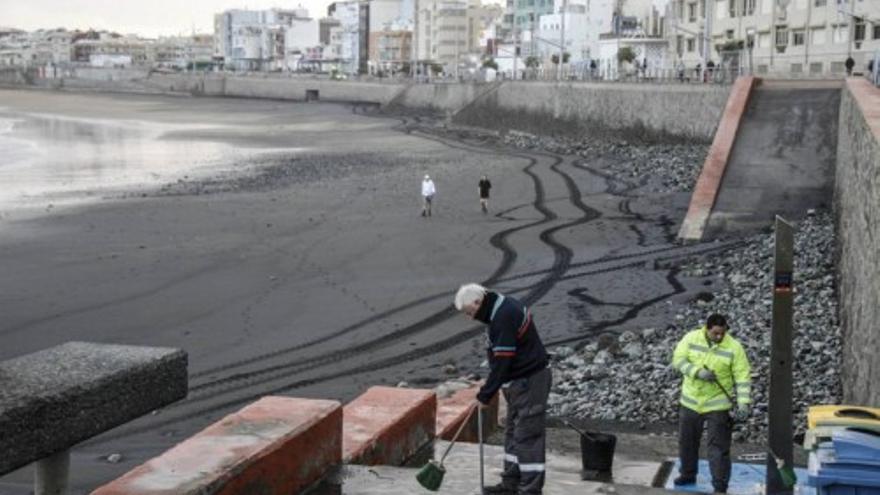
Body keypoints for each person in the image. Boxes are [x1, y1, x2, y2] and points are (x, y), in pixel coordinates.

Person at [454, 283, 551, 495]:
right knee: (512, 432)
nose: (471, 318)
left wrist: (486, 394)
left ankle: (530, 490)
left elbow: (502, 361)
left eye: (471, 312)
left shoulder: (503, 317)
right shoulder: (500, 306)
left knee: (527, 436)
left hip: (530, 380)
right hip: (518, 381)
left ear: (478, 302)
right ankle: (511, 483)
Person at [672, 313, 752, 494]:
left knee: (718, 448)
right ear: (706, 329)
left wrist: (743, 404)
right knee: (687, 442)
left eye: (722, 333)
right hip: (690, 402)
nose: (719, 337)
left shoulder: (734, 347)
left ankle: (720, 485)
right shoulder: (691, 338)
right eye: (715, 333)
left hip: (718, 405)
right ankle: (687, 473)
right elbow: (678, 360)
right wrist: (696, 372)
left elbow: (742, 377)